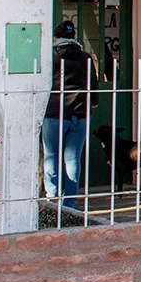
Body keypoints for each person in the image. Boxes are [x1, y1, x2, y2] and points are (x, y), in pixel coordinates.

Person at [43, 21, 99, 208]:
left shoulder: (49, 57)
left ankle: (52, 197)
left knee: (51, 155)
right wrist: (94, 103)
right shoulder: (85, 57)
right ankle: (69, 203)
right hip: (80, 114)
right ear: (74, 37)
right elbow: (93, 84)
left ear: (56, 37)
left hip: (54, 113)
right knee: (73, 159)